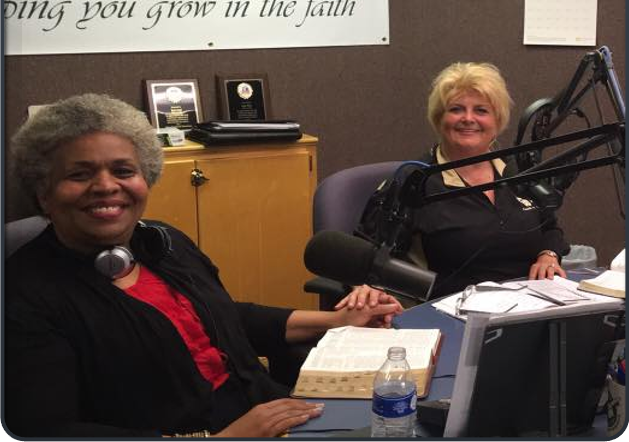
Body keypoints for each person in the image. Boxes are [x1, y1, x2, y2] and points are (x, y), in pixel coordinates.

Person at [5, 93, 402, 438]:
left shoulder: (163, 243)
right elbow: (48, 429)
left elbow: (226, 318)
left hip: (272, 414)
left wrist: (337, 322)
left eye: (123, 171)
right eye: (80, 174)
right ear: (43, 192)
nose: (107, 185)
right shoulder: (26, 294)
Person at [339, 62, 570, 307]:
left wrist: (549, 255)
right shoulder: (415, 180)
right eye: (457, 109)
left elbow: (550, 228)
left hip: (530, 307)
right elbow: (366, 252)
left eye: (481, 110)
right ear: (440, 118)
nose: (468, 119)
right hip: (450, 313)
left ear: (497, 120)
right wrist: (366, 287)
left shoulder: (516, 170)